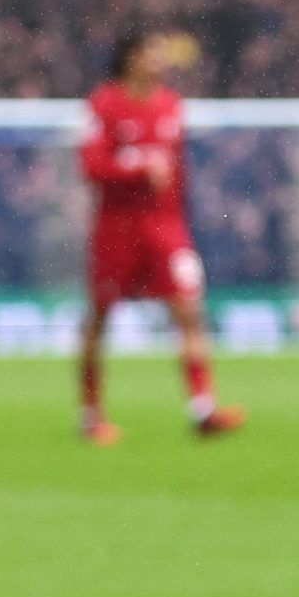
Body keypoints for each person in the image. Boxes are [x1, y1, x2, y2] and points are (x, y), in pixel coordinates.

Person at [75, 33, 244, 444]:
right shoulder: (103, 105)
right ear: (131, 58)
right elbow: (91, 165)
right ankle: (91, 414)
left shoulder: (171, 105)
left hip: (165, 226)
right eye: (151, 52)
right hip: (117, 227)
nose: (159, 59)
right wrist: (137, 168)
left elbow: (175, 172)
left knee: (188, 309)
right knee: (100, 317)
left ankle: (203, 409)